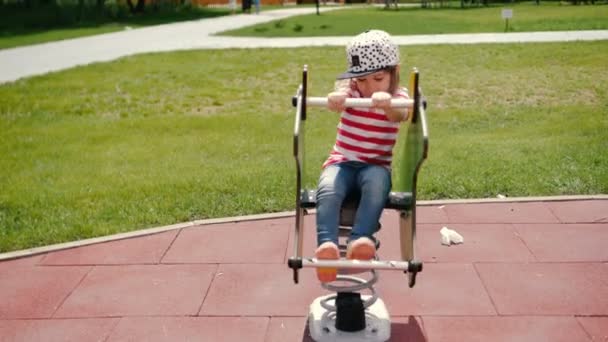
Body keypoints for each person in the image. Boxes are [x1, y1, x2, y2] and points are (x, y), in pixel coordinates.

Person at [315, 30, 410, 283]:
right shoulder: (353, 90)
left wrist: (387, 103)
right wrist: (335, 99)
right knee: (328, 188)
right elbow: (340, 95)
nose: (369, 88)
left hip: (375, 165)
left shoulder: (398, 96)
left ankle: (360, 242)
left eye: (378, 78)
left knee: (376, 186)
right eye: (362, 80)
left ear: (394, 71)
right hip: (342, 161)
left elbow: (400, 115)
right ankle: (326, 249)